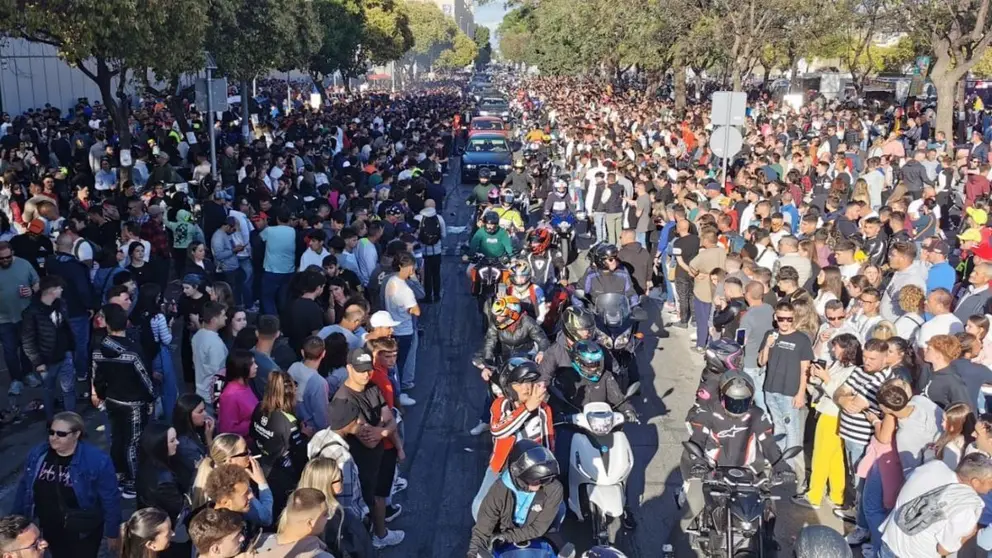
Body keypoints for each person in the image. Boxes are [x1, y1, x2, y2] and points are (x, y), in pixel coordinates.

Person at [680, 371, 794, 537]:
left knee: (769, 510)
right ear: (722, 395)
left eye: (743, 403)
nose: (738, 408)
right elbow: (698, 438)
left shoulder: (758, 415)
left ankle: (767, 543)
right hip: (713, 469)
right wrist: (698, 462)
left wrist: (781, 466)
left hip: (748, 472)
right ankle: (676, 544)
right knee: (692, 507)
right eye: (732, 402)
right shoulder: (708, 412)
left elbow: (768, 443)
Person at [11, 412, 120, 558]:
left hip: (82, 530)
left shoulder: (97, 460)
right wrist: (15, 522)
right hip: (48, 526)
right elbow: (25, 487)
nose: (54, 437)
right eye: (51, 432)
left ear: (76, 434)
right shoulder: (38, 454)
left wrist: (113, 532)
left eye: (61, 433)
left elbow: (110, 498)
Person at [328, 348, 405, 549]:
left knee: (379, 497)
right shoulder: (344, 401)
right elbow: (369, 439)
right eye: (360, 370)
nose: (365, 374)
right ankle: (370, 542)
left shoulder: (371, 387)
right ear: (348, 368)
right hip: (358, 469)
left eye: (368, 370)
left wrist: (381, 431)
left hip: (376, 461)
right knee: (361, 512)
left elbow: (391, 418)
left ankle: (380, 534)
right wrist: (385, 430)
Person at [472, 358, 554, 521]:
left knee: (554, 510)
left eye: (530, 382)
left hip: (532, 469)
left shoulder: (544, 410)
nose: (527, 388)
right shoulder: (500, 405)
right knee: (480, 508)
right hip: (501, 468)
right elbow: (498, 431)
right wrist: (527, 408)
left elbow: (548, 444)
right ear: (509, 386)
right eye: (520, 383)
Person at [93, 303, 156, 498]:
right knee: (133, 442)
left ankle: (119, 476)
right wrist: (151, 397)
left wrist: (103, 395)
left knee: (118, 439)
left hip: (112, 400)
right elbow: (145, 378)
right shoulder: (132, 350)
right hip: (134, 404)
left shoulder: (99, 348)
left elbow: (97, 377)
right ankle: (132, 481)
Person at [793, 334, 862, 510]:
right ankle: (837, 495)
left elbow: (839, 395)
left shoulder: (853, 371)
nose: (833, 349)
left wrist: (826, 379)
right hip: (829, 412)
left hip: (833, 415)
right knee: (835, 459)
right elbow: (822, 384)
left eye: (836, 347)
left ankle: (814, 496)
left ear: (847, 349)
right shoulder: (839, 364)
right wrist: (816, 375)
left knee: (821, 456)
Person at [879, 453, 992, 557]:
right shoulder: (970, 505)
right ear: (975, 482)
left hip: (889, 544)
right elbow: (944, 550)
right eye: (990, 481)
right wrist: (968, 535)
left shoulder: (933, 466)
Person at [467, 440, 565, 558]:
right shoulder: (499, 490)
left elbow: (539, 528)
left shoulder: (553, 489)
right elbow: (482, 531)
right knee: (479, 508)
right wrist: (473, 554)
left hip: (536, 530)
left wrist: (506, 537)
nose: (539, 484)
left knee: (561, 510)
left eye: (544, 479)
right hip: (502, 529)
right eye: (534, 479)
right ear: (518, 474)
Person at [758, 301, 813, 483]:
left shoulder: (802, 339)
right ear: (776, 318)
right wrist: (768, 345)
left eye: (789, 319)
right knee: (778, 426)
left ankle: (792, 469)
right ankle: (779, 463)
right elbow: (761, 362)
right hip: (771, 389)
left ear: (794, 319)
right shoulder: (770, 335)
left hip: (790, 392)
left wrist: (800, 394)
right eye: (781, 319)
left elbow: (805, 369)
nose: (785, 323)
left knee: (792, 430)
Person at [249, 370, 309, 523]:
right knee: (280, 514)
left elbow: (253, 432)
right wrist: (305, 435)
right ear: (290, 393)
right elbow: (299, 453)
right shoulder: (289, 422)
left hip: (262, 466)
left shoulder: (259, 407)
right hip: (283, 474)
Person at [21, 275, 76, 422]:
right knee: (48, 390)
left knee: (69, 389)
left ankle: (71, 422)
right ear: (51, 291)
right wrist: (38, 362)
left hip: (65, 354)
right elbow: (28, 341)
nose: (61, 290)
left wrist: (70, 348)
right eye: (59, 288)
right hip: (46, 360)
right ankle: (51, 421)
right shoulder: (32, 312)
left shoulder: (61, 304)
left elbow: (66, 327)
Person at [297, 455, 376, 558]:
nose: (343, 479)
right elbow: (363, 549)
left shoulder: (294, 513)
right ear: (326, 484)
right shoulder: (341, 517)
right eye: (339, 478)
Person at [189, 434, 273, 529]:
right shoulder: (235, 486)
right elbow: (265, 518)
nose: (249, 453)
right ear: (229, 460)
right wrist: (262, 483)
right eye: (245, 452)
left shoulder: (203, 473)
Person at [134, 423, 189, 558]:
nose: (177, 442)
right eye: (172, 441)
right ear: (159, 445)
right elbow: (179, 505)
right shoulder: (164, 479)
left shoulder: (147, 463)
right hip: (165, 532)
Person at [0, 241, 40, 401]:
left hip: (24, 314)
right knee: (9, 351)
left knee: (26, 347)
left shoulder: (24, 264)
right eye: (1, 259)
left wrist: (32, 290)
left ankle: (28, 373)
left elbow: (37, 282)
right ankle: (16, 380)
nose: (4, 261)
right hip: (3, 318)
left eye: (7, 257)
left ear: (12, 253)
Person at [383, 251, 420, 403]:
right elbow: (416, 310)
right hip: (404, 330)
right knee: (400, 363)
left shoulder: (390, 281)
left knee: (394, 363)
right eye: (410, 267)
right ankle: (398, 394)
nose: (412, 270)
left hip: (392, 327)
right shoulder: (405, 290)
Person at [253, 488, 334, 558]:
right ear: (310, 523)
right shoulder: (320, 556)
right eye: (325, 514)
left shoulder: (258, 544)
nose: (328, 517)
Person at [287, 336, 331, 432]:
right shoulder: (319, 382)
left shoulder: (293, 367)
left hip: (291, 421)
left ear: (302, 352)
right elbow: (322, 416)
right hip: (310, 430)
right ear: (323, 354)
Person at [172, 394, 215, 493]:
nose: (205, 414)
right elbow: (206, 468)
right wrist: (209, 439)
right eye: (200, 411)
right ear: (187, 415)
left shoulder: (199, 430)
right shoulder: (184, 445)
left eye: (204, 409)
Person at [191, 302, 229, 411]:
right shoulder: (215, 344)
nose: (226, 317)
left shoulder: (198, 335)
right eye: (223, 315)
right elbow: (218, 374)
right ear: (214, 320)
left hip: (200, 389)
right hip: (211, 396)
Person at [217, 349, 259, 437]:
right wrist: (255, 423)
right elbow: (228, 429)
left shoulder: (247, 384)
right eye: (252, 364)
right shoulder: (230, 395)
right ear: (241, 367)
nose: (256, 366)